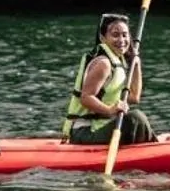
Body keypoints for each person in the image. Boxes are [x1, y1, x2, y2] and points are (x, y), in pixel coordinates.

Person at [63, 12, 154, 145]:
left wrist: (136, 63)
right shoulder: (103, 63)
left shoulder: (118, 60)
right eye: (115, 35)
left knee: (136, 118)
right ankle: (153, 146)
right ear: (103, 38)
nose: (121, 40)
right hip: (85, 131)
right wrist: (110, 110)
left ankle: (150, 146)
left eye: (125, 35)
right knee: (135, 118)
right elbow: (86, 98)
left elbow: (134, 97)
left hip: (103, 125)